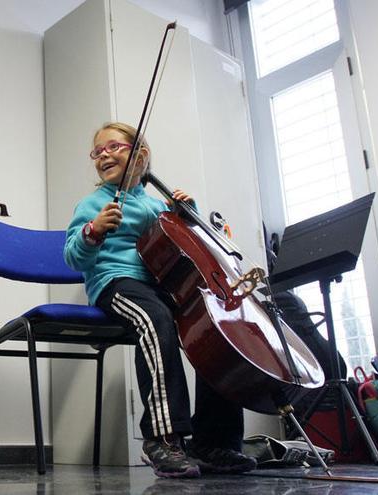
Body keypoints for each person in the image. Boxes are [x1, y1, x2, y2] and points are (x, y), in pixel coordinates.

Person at [64, 122, 257, 478]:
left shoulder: (155, 206)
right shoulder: (93, 203)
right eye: (98, 151)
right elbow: (73, 257)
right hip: (115, 284)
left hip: (160, 287)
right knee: (155, 318)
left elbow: (187, 245)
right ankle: (162, 438)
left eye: (114, 147)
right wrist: (93, 231)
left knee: (214, 330)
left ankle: (213, 442)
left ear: (140, 156)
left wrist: (189, 214)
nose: (104, 155)